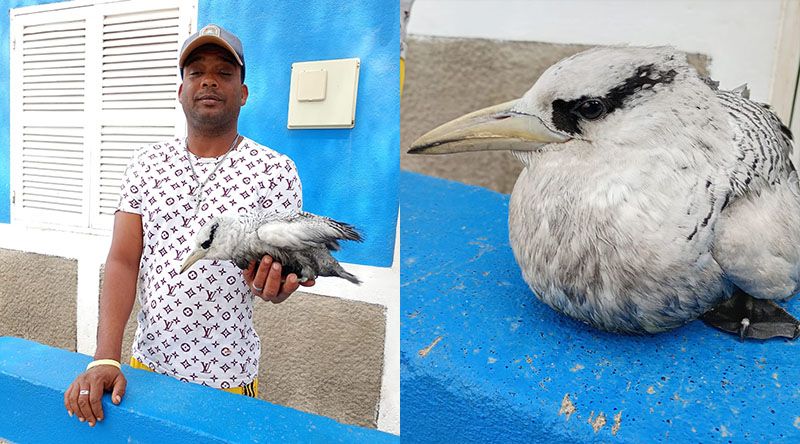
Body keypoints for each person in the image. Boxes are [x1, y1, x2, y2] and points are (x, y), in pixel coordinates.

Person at [63, 24, 314, 427]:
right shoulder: (146, 165)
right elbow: (124, 260)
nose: (209, 80)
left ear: (243, 93)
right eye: (196, 72)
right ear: (181, 91)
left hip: (228, 379)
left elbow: (277, 276)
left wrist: (276, 286)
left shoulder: (275, 171)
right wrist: (105, 357)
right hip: (147, 372)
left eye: (224, 72)